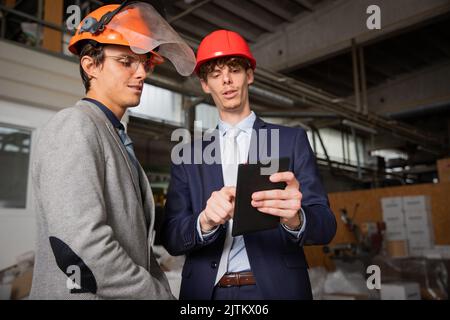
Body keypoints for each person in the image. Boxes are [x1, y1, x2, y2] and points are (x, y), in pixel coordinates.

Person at [30, 2, 195, 299]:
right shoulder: (75, 126)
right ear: (90, 65)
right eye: (125, 61)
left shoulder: (114, 136)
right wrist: (155, 296)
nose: (141, 73)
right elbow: (83, 245)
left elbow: (137, 248)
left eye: (144, 63)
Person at [162, 30, 337, 300]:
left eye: (234, 70)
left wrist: (296, 218)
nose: (227, 80)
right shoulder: (188, 155)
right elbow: (172, 237)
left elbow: (325, 225)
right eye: (216, 74)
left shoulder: (291, 141)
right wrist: (204, 222)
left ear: (250, 75)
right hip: (207, 294)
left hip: (276, 290)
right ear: (205, 84)